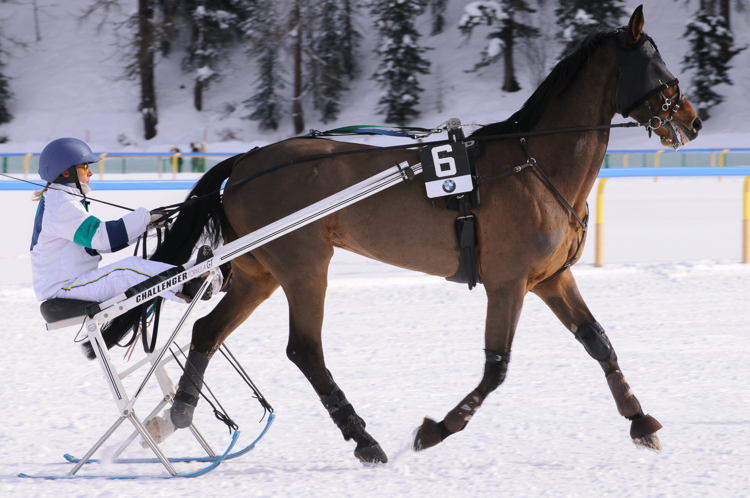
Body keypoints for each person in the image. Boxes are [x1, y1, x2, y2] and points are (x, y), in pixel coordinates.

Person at [30, 137, 220, 306]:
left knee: (133, 268)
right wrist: (144, 219)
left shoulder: (63, 200)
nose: (90, 174)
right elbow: (101, 238)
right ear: (65, 172)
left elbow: (99, 245)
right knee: (128, 271)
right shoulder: (61, 204)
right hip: (63, 288)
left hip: (71, 283)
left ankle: (212, 280)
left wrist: (146, 225)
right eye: (85, 167)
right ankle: (190, 284)